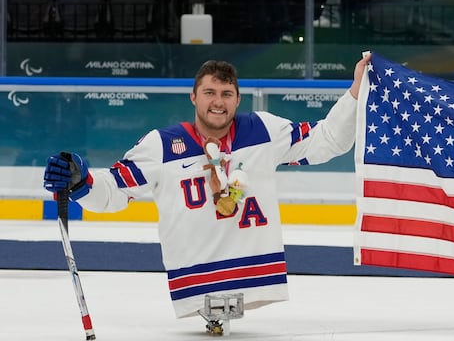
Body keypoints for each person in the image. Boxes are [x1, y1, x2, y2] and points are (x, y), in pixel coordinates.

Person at [41, 55, 370, 329]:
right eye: (210, 92)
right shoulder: (162, 145)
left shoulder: (263, 131)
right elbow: (113, 192)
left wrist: (357, 88)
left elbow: (328, 140)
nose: (218, 101)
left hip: (255, 276)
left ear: (238, 99)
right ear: (193, 97)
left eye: (227, 93)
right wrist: (82, 181)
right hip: (195, 282)